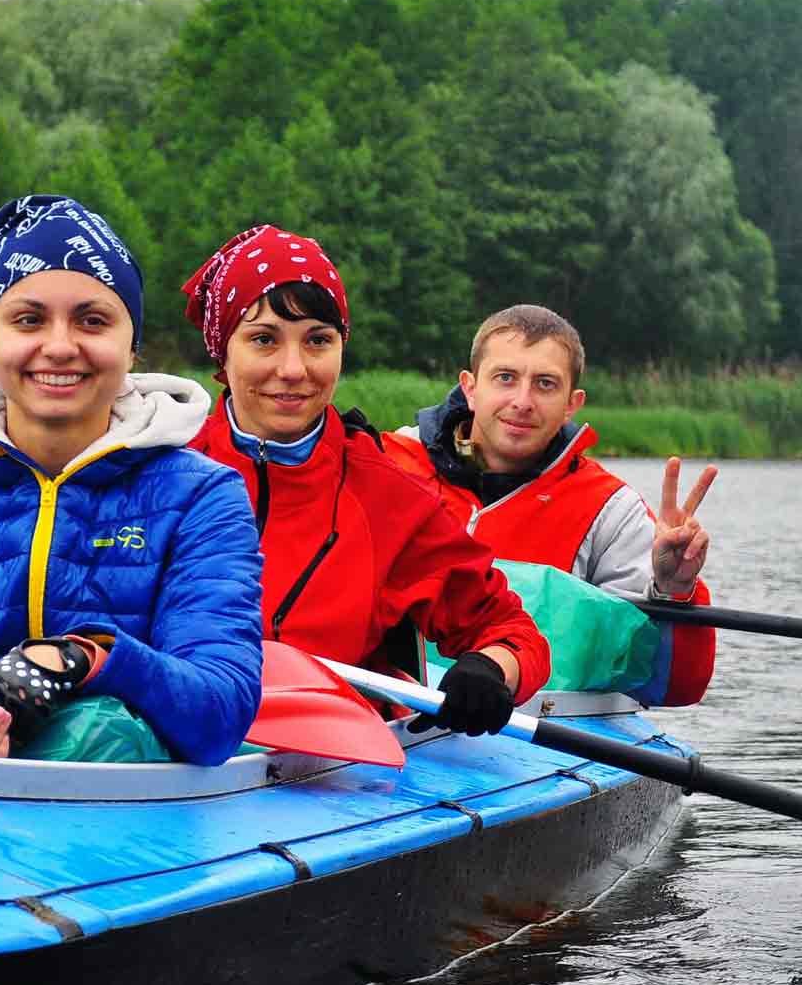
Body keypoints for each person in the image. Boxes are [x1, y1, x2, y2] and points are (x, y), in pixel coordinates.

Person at [0, 195, 263, 765]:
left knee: (101, 726)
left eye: (92, 320)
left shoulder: (204, 497)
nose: (60, 346)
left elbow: (219, 711)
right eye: (28, 319)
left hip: (125, 797)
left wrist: (82, 657)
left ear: (130, 345)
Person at [181, 225, 549, 737]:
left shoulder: (387, 496)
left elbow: (513, 634)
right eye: (264, 339)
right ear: (223, 352)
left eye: (318, 341)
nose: (293, 369)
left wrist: (492, 670)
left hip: (320, 762)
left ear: (341, 347)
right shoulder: (161, 469)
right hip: (173, 753)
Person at [382, 304, 716, 708]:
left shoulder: (611, 509)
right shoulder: (386, 464)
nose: (522, 401)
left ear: (572, 403)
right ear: (471, 388)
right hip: (385, 705)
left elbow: (672, 688)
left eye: (545, 384)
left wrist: (674, 591)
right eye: (505, 378)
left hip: (535, 728)